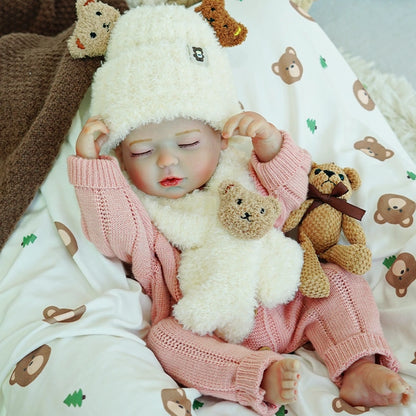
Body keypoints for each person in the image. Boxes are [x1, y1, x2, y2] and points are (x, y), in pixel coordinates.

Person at [67, 5, 413, 415]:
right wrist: (92, 166)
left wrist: (270, 146)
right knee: (165, 341)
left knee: (340, 282)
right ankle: (255, 374)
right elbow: (113, 235)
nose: (166, 162)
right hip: (210, 328)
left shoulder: (244, 168)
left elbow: (291, 197)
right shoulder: (146, 212)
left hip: (290, 300)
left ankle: (358, 364)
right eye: (143, 151)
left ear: (220, 137)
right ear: (123, 157)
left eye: (188, 144)